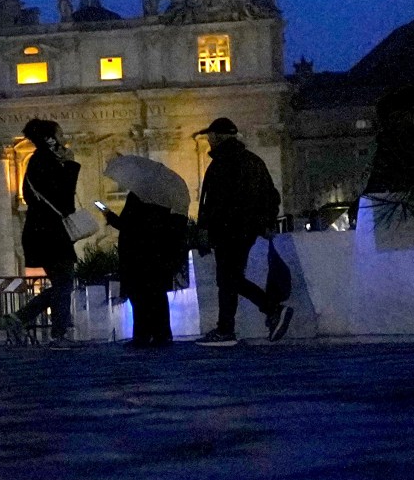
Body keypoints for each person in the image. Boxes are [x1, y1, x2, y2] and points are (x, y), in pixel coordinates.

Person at [197, 117, 290, 344]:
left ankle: (269, 310)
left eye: (210, 136)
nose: (208, 140)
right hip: (246, 229)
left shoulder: (221, 164)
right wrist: (265, 223)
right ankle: (227, 327)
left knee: (228, 279)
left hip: (228, 230)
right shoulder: (253, 161)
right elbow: (271, 195)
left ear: (218, 137)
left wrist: (204, 230)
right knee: (230, 279)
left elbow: (213, 203)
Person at [14, 118, 81, 346]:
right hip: (50, 233)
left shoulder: (36, 162)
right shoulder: (47, 162)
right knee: (64, 283)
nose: (63, 139)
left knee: (62, 283)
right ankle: (58, 334)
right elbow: (64, 201)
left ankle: (21, 317)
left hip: (39, 232)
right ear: (50, 138)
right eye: (60, 134)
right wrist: (70, 166)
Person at [107, 188, 187, 348]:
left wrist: (109, 216)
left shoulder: (137, 196)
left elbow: (127, 226)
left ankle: (143, 335)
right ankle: (162, 334)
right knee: (156, 295)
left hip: (138, 255)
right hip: (156, 255)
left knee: (140, 297)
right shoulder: (163, 198)